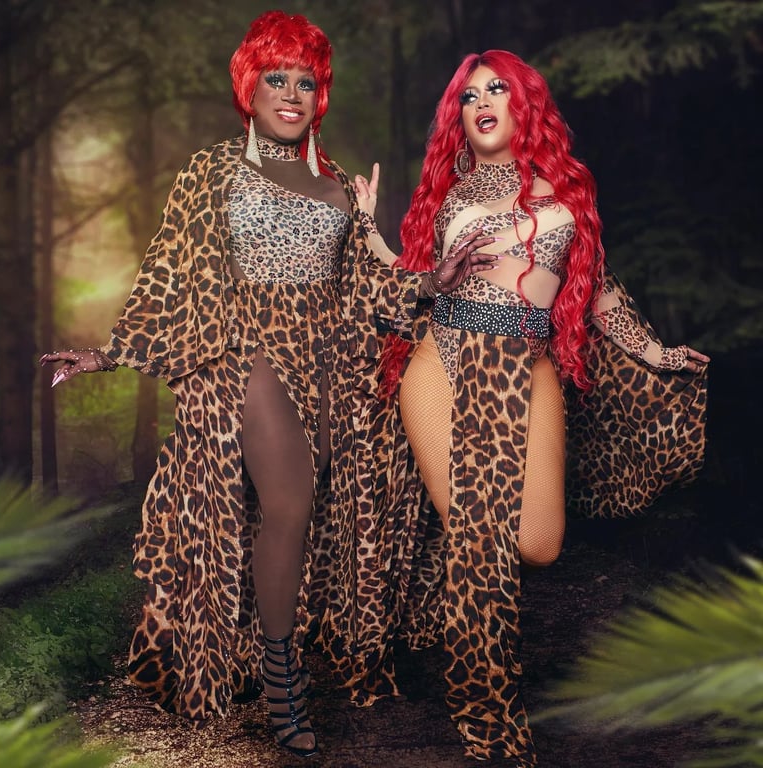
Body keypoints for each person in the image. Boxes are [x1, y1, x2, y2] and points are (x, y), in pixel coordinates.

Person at [40, 12, 498, 759]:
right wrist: (109, 353)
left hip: (328, 356)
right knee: (288, 501)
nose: (290, 93)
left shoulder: (337, 184)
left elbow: (365, 290)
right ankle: (286, 684)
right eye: (275, 78)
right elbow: (169, 269)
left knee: (307, 512)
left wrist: (429, 281)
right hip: (240, 348)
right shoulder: (211, 170)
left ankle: (265, 646)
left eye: (305, 81)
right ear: (249, 89)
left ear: (321, 96)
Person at [354, 50, 709, 765]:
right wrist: (367, 231)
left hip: (527, 365)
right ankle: (488, 714)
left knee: (537, 543)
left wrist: (656, 351)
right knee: (480, 542)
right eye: (469, 95)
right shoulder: (451, 195)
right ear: (458, 117)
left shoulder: (566, 195)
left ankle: (444, 592)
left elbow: (598, 292)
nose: (482, 102)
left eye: (497, 89)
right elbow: (410, 282)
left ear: (524, 105)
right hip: (442, 362)